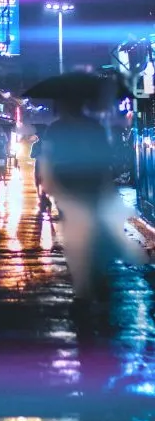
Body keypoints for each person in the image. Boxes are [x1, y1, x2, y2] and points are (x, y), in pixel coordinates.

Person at [40, 99, 144, 303]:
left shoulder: (55, 128)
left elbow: (47, 158)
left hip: (68, 186)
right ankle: (94, 270)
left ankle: (83, 274)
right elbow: (105, 158)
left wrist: (47, 185)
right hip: (90, 184)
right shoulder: (93, 126)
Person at [30, 125, 51, 211]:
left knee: (39, 183)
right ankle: (44, 199)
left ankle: (44, 199)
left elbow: (32, 155)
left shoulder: (36, 145)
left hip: (41, 165)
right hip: (45, 166)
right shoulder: (47, 144)